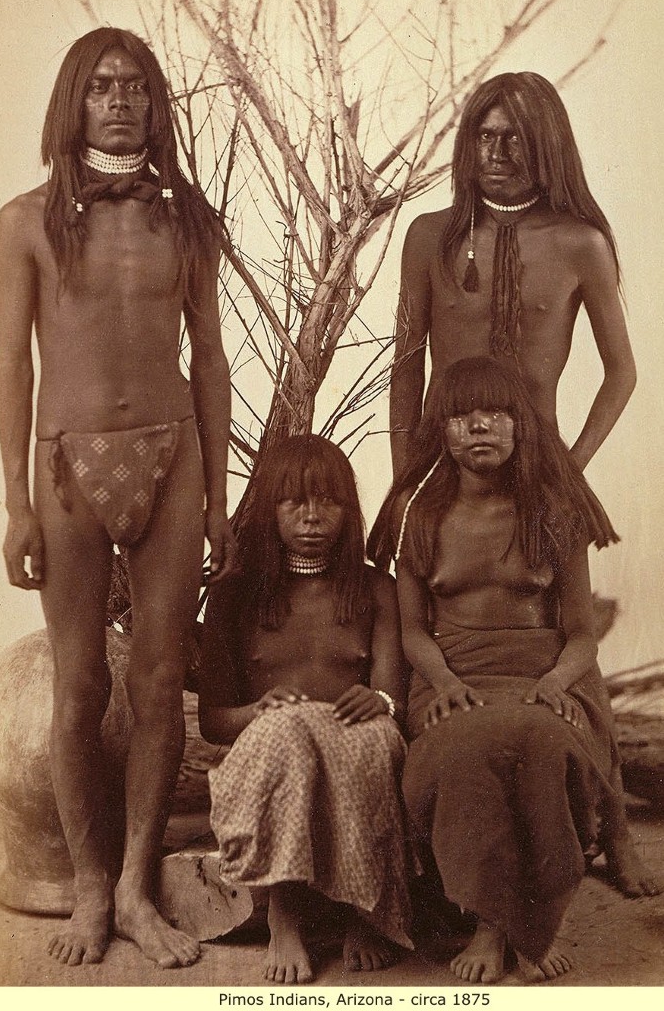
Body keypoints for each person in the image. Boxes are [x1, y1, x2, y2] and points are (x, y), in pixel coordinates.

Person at [0, 28, 237, 968]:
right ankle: (91, 885)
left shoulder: (188, 220)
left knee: (158, 680)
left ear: (155, 104)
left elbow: (210, 359)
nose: (121, 101)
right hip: (67, 465)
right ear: (74, 102)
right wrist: (15, 504)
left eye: (136, 87)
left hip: (173, 456)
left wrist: (218, 500)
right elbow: (13, 364)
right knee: (80, 682)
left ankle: (135, 885)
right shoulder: (25, 221)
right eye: (102, 87)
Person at [369, 356, 653, 984]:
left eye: (496, 414)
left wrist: (555, 681)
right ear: (440, 432)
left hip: (545, 672)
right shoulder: (417, 514)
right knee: (462, 750)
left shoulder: (552, 510)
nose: (480, 427)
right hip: (453, 676)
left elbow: (581, 634)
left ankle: (511, 925)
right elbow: (413, 631)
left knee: (539, 739)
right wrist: (444, 683)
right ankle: (494, 919)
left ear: (520, 425)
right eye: (462, 416)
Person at [196, 435, 414, 984]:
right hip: (269, 750)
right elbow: (213, 721)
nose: (312, 516)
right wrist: (258, 711)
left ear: (350, 510)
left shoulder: (376, 588)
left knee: (376, 736)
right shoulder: (235, 593)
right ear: (269, 510)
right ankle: (284, 913)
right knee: (289, 730)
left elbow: (393, 698)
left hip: (352, 737)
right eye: (293, 502)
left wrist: (380, 700)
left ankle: (364, 911)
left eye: (329, 501)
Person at [389, 71, 636, 478]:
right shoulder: (429, 235)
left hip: (537, 463)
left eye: (515, 138)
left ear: (547, 144)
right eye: (486, 136)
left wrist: (571, 472)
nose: (497, 153)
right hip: (442, 462)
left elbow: (622, 372)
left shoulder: (581, 243)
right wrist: (404, 479)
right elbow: (406, 368)